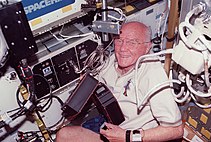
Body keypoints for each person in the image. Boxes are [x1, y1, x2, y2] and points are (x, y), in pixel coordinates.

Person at [56, 21, 184, 142]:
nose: (123, 48)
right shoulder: (110, 61)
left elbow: (176, 130)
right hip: (112, 127)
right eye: (119, 40)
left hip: (132, 136)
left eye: (132, 42)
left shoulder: (152, 74)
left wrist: (128, 137)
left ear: (147, 47)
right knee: (63, 135)